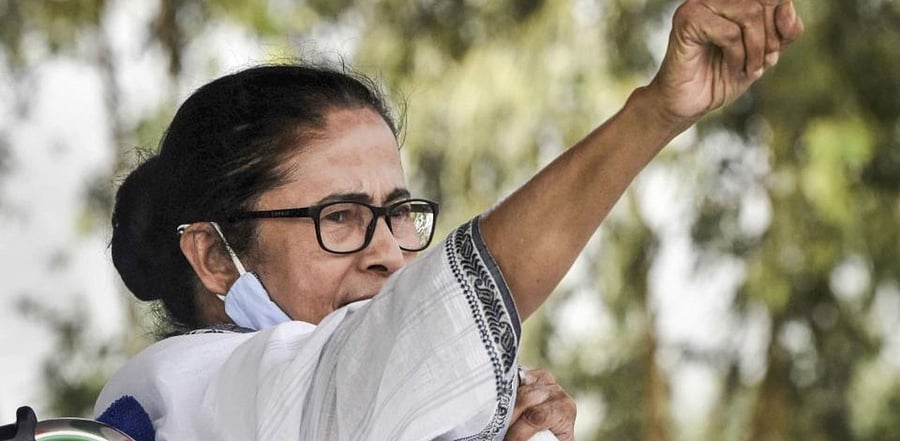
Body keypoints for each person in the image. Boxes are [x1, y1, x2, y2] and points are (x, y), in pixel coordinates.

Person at [93, 0, 804, 440]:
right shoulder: (204, 390)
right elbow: (395, 349)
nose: (389, 254)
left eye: (398, 215)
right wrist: (652, 114)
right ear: (216, 258)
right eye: (339, 216)